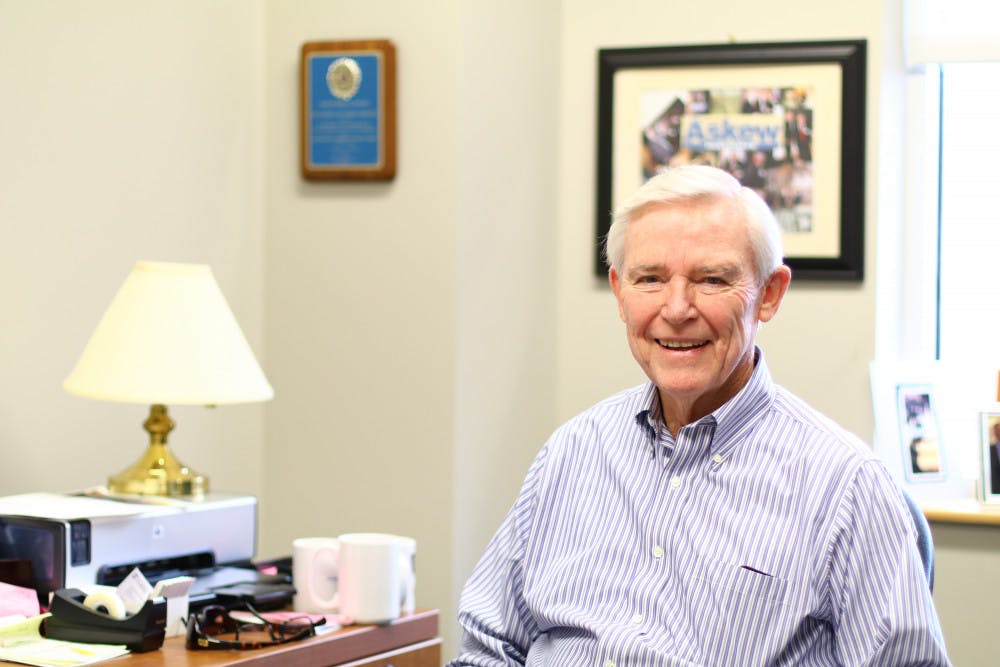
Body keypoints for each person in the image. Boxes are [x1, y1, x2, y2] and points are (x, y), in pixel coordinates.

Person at [448, 165, 950, 666]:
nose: (677, 308)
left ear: (769, 294)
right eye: (650, 279)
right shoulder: (571, 452)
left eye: (712, 279)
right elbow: (489, 648)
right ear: (620, 292)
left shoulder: (847, 488)